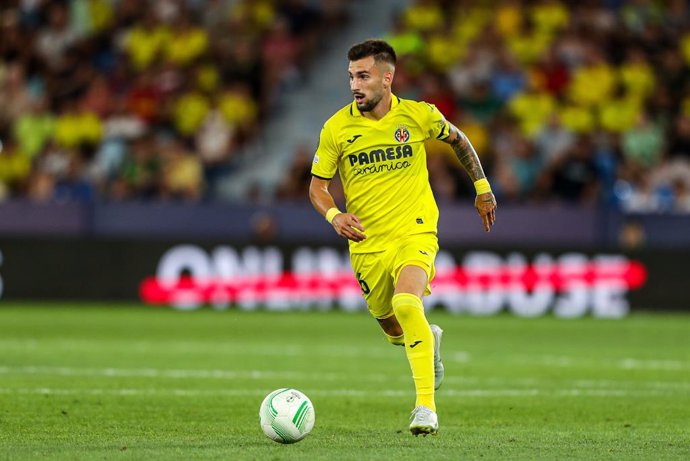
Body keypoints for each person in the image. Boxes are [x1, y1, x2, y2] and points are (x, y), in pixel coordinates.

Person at [308, 39, 497, 436]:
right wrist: (334, 215)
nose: (355, 85)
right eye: (351, 77)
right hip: (367, 244)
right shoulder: (337, 128)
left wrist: (482, 187)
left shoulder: (418, 116)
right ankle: (430, 341)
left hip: (415, 229)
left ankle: (425, 407)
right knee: (392, 326)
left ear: (386, 77)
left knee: (407, 302)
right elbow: (317, 187)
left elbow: (459, 141)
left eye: (363, 76)